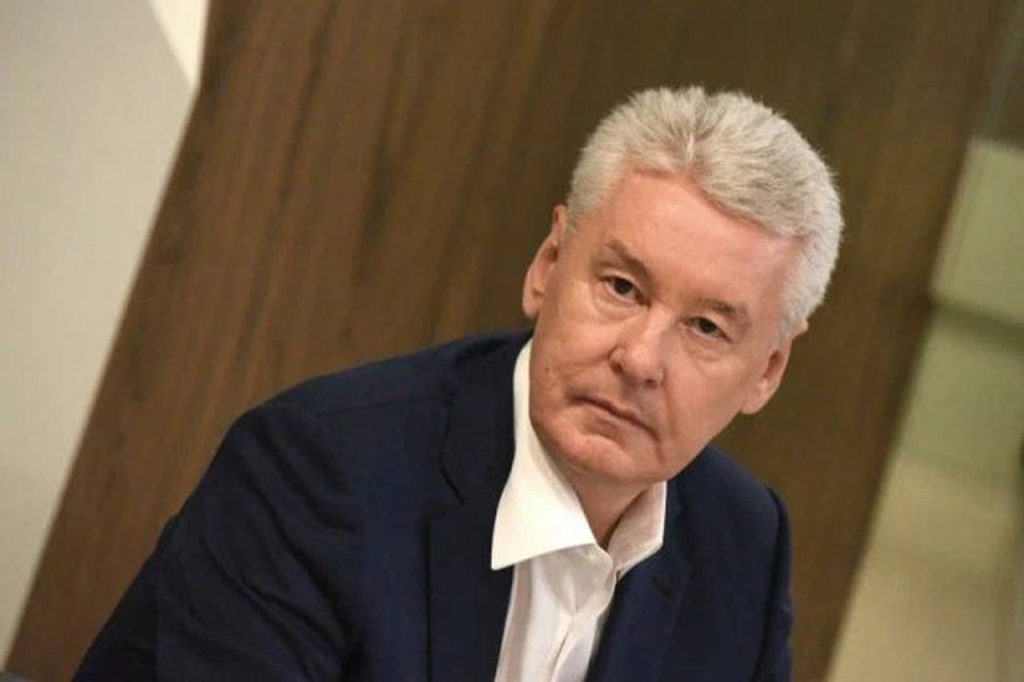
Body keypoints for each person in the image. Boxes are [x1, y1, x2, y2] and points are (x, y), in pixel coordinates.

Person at [75, 86, 842, 681]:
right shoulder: (317, 470)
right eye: (621, 287)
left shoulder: (743, 545)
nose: (641, 359)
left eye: (705, 328)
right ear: (548, 266)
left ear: (768, 370)